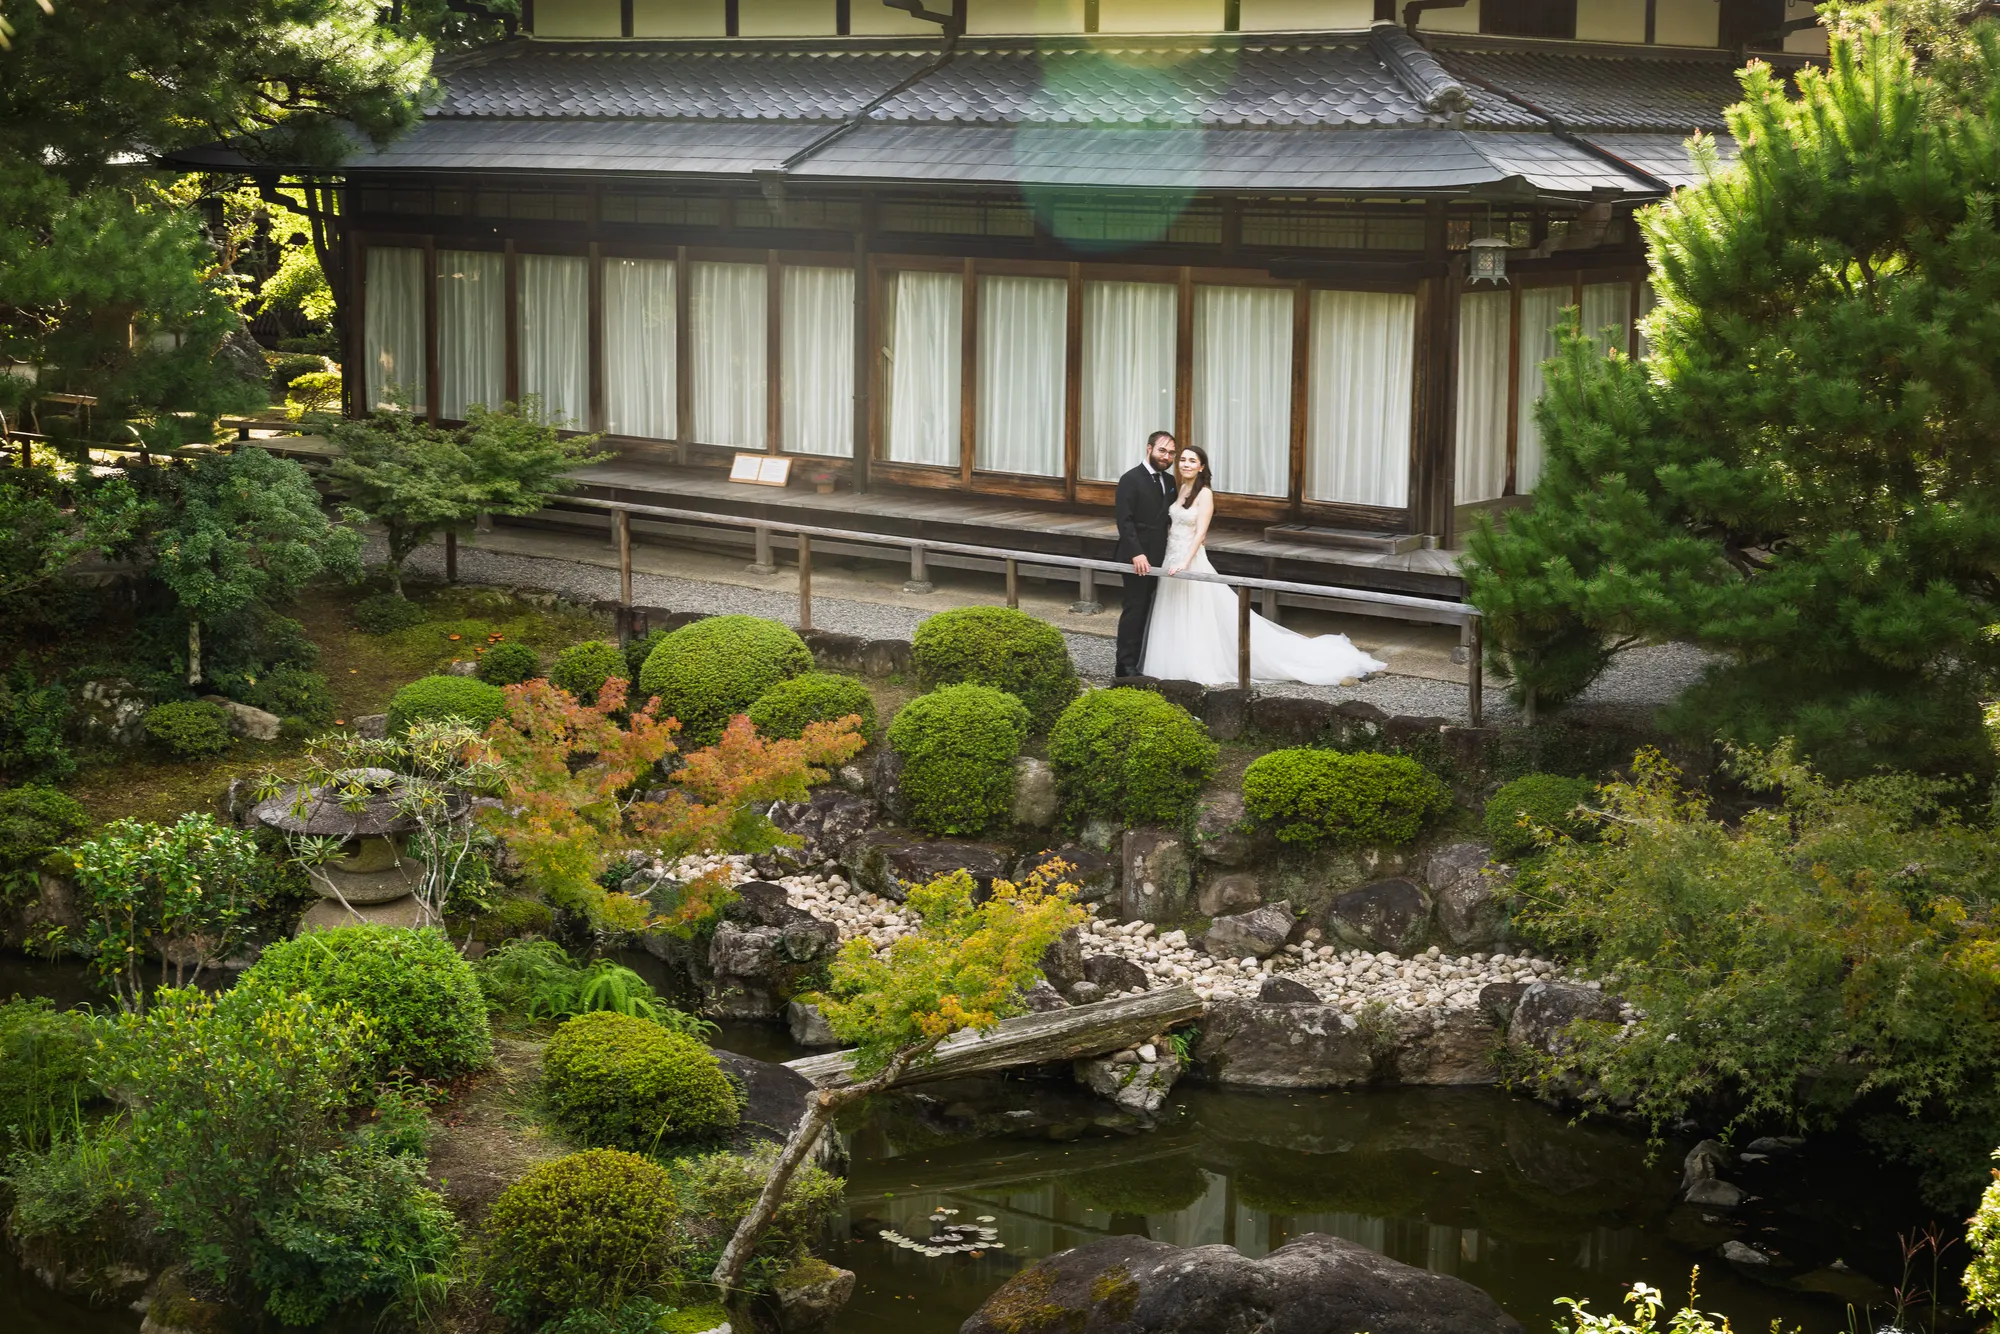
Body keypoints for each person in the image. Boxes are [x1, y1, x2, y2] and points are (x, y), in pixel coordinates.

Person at [1141, 443, 1387, 686]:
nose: (1185, 464)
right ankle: (1173, 662)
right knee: (1174, 608)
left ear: (1202, 466)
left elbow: (1200, 533)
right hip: (1170, 557)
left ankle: (1197, 665)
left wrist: (1185, 562)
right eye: (1183, 459)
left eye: (1192, 460)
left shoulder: (1204, 493)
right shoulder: (1180, 488)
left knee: (1196, 611)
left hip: (1189, 560)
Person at [1113, 429, 1179, 678]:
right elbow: (1124, 521)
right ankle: (1125, 664)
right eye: (1162, 450)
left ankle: (1143, 660)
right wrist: (1136, 553)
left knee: (1153, 608)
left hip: (1162, 556)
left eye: (1171, 453)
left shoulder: (1170, 481)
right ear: (1149, 448)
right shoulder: (1130, 479)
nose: (1167, 456)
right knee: (1135, 608)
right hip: (1137, 558)